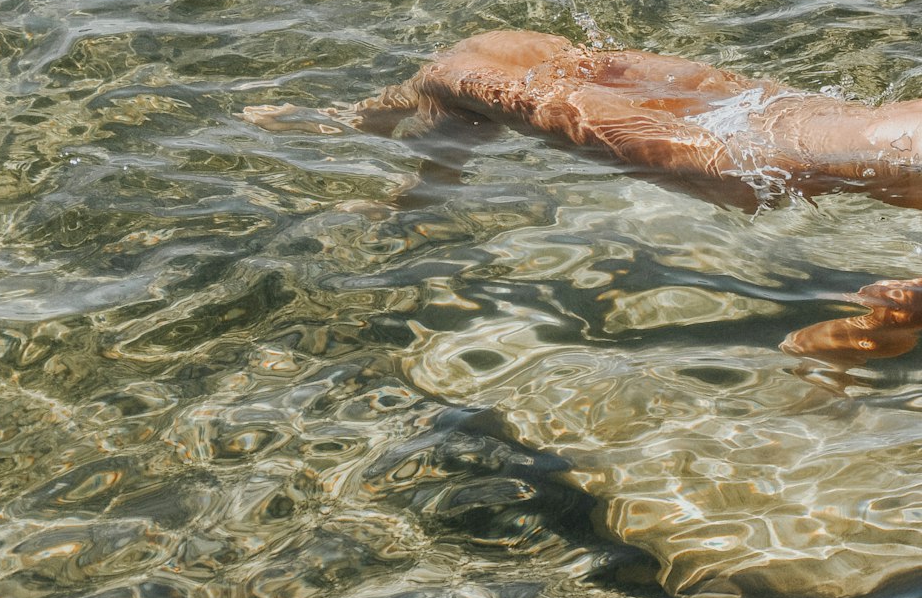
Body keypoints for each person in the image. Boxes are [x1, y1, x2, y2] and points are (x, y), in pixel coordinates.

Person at [244, 29, 922, 366]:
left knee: (459, 78)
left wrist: (850, 344)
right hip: (773, 110)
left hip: (742, 159)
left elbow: (894, 306)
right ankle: (391, 144)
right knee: (509, 49)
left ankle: (413, 187)